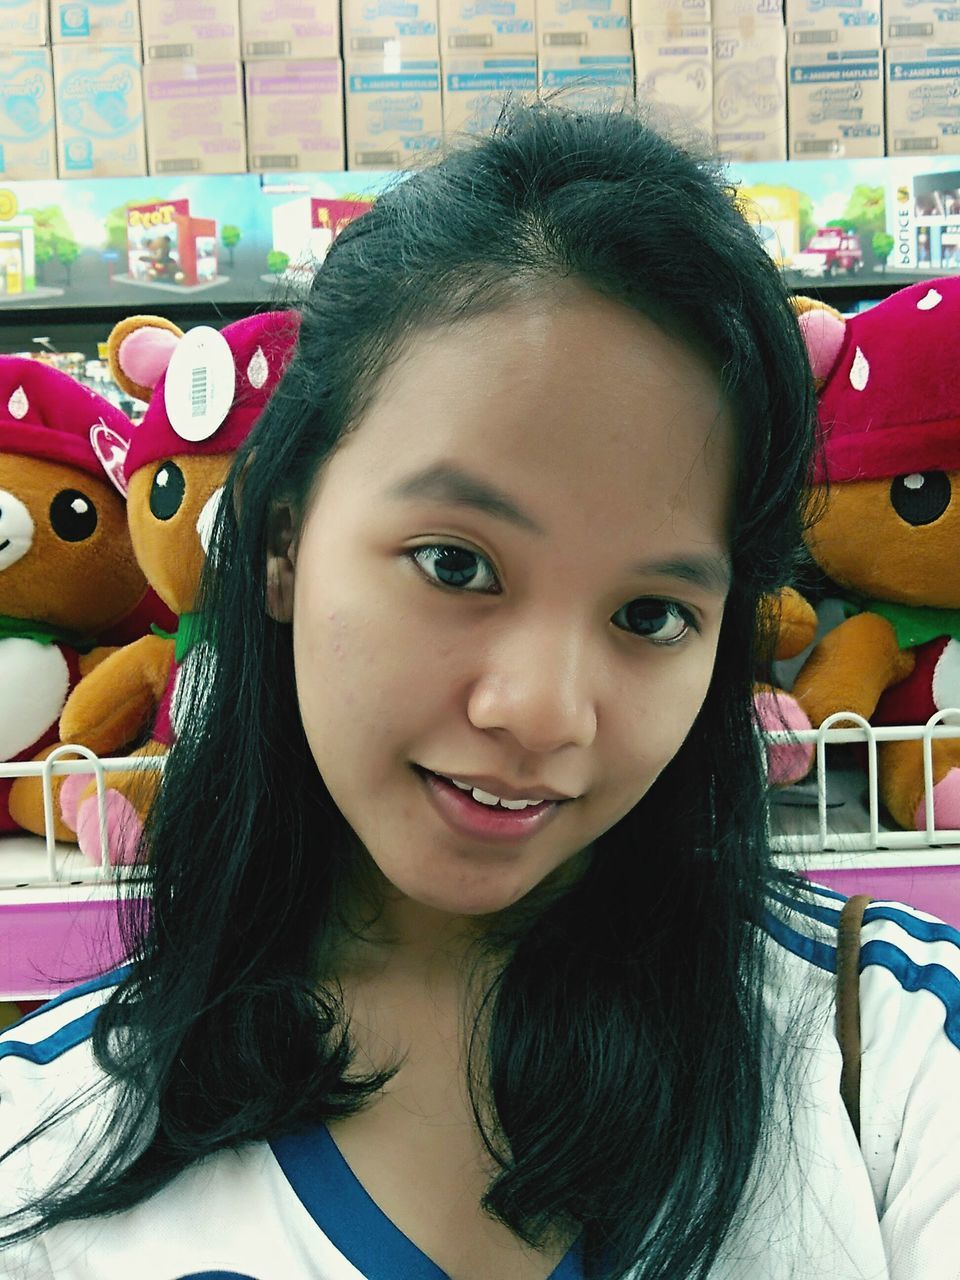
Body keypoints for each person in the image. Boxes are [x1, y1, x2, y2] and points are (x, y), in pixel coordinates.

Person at [0, 100, 958, 1280]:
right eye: (456, 563)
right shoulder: (37, 1153)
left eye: (652, 614)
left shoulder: (892, 1053)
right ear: (285, 542)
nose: (543, 712)